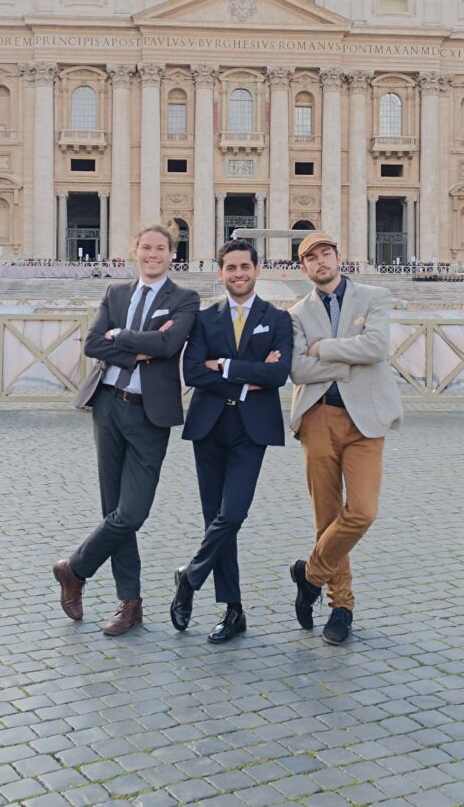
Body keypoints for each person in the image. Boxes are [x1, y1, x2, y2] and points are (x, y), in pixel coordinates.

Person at [54, 224, 199, 635]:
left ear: (172, 254)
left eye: (161, 248)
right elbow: (93, 344)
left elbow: (169, 346)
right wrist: (139, 349)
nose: (153, 254)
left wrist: (122, 337)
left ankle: (74, 568)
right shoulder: (115, 293)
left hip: (150, 413)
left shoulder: (185, 298)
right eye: (146, 247)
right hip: (107, 406)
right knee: (112, 508)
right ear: (135, 251)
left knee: (131, 512)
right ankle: (129, 603)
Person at [170, 240, 293, 643]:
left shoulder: (278, 319)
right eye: (231, 268)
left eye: (245, 266)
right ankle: (233, 609)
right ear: (220, 273)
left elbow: (278, 376)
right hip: (209, 425)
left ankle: (190, 577)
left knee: (233, 514)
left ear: (257, 269)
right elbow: (193, 372)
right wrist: (247, 377)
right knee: (215, 520)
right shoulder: (205, 319)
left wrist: (223, 365)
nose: (239, 274)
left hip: (250, 430)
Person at [288, 230, 403, 645]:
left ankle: (310, 575)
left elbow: (376, 347)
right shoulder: (296, 313)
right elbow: (298, 370)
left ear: (339, 258)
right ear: (304, 268)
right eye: (312, 258)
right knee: (327, 515)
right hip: (318, 416)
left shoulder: (375, 296)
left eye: (326, 254)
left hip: (365, 418)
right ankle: (342, 607)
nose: (321, 262)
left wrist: (324, 348)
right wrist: (346, 361)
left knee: (363, 511)